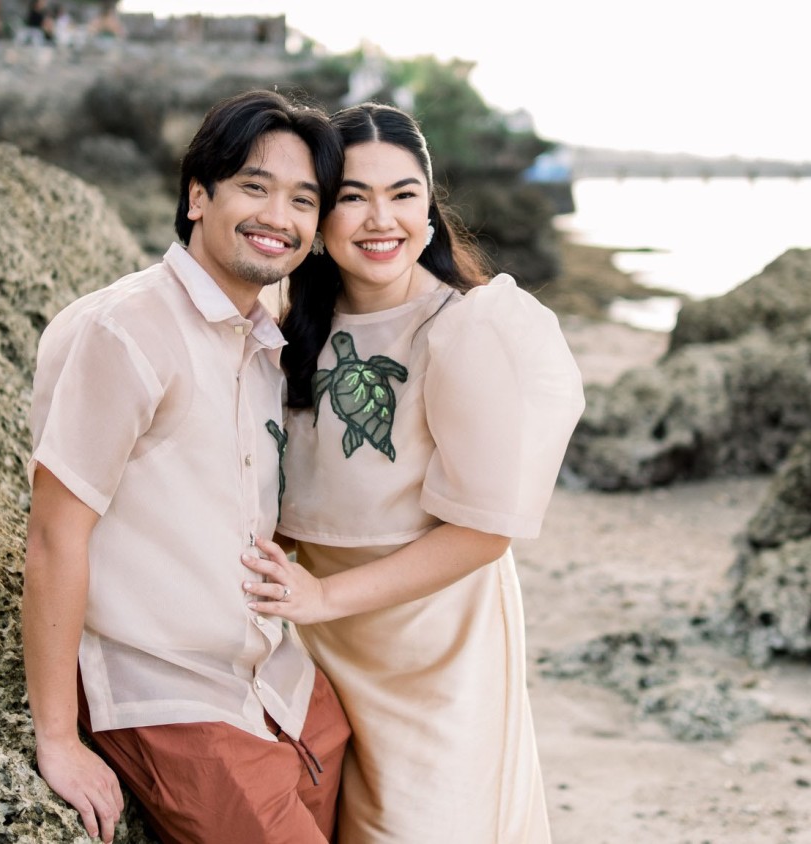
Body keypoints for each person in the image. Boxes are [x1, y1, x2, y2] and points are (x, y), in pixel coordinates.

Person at [242, 103, 585, 843]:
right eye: (352, 197)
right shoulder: (283, 329)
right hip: (321, 652)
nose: (380, 219)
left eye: (403, 195)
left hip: (437, 661)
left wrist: (324, 594)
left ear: (428, 213)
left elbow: (485, 534)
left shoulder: (466, 331)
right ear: (319, 218)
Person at [23, 89, 350, 844]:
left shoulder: (265, 340)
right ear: (198, 196)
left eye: (304, 201)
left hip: (285, 690)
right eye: (254, 187)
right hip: (168, 695)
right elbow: (52, 536)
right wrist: (57, 740)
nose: (279, 217)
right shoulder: (127, 329)